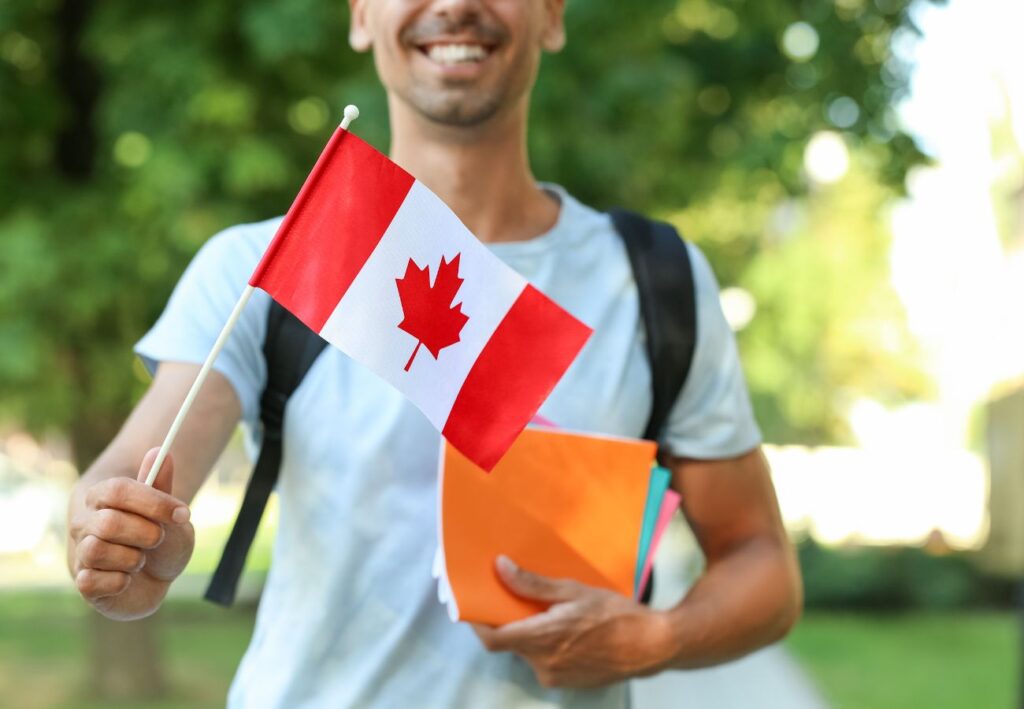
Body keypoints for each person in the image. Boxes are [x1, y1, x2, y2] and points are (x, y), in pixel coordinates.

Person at [65, 1, 802, 706]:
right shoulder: (264, 264)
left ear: (552, 13)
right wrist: (117, 538)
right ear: (361, 14)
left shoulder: (657, 281)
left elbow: (761, 564)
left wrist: (660, 637)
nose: (454, 4)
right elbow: (141, 469)